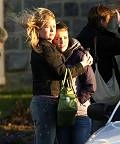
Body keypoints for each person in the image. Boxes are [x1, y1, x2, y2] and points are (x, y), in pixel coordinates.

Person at [16, 8, 93, 144]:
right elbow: (63, 73)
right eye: (47, 27)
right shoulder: (46, 47)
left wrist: (81, 51)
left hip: (48, 101)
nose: (52, 30)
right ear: (38, 29)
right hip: (46, 102)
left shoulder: (47, 46)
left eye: (53, 26)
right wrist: (83, 64)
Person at [77, 4, 120, 133]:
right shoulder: (101, 40)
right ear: (102, 20)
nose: (109, 23)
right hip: (101, 88)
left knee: (89, 126)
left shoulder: (84, 35)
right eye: (108, 20)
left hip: (86, 86)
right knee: (101, 127)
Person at [53, 21, 96, 144]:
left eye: (65, 37)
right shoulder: (53, 58)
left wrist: (77, 101)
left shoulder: (79, 56)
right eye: (58, 38)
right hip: (61, 114)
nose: (62, 41)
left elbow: (91, 85)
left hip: (80, 113)